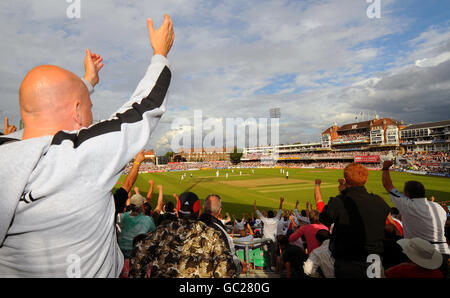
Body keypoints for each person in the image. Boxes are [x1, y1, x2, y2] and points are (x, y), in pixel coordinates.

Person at [0, 15, 174, 277]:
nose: (91, 120)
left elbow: (46, 112)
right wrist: (160, 53)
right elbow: (144, 107)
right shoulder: (82, 155)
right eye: (90, 109)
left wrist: (86, 84)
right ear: (78, 110)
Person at [129, 192, 237, 278]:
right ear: (198, 212)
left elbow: (138, 253)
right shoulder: (213, 235)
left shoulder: (162, 231)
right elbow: (226, 271)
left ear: (177, 212)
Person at [319, 163, 390, 278]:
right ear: (365, 180)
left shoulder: (339, 202)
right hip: (375, 261)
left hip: (349, 262)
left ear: (346, 180)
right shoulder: (379, 202)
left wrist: (342, 193)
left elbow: (324, 218)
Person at [381, 160, 450, 277]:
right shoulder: (438, 206)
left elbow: (388, 186)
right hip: (443, 254)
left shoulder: (407, 204)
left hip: (420, 256)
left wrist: (385, 168)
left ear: (407, 194)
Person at [199, 194, 242, 275]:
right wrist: (239, 266)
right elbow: (230, 261)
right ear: (219, 211)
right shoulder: (221, 232)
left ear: (203, 207)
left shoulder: (191, 227)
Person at [118, 192, 156, 259]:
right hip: (134, 255)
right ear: (141, 206)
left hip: (120, 252)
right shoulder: (148, 220)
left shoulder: (122, 216)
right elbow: (154, 232)